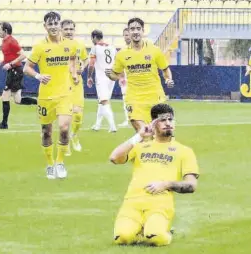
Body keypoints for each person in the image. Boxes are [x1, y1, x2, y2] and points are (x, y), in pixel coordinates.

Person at [109, 103, 199, 246]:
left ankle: (162, 230)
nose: (168, 123)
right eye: (162, 120)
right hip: (132, 203)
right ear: (153, 124)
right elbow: (114, 158)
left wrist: (166, 184)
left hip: (160, 205)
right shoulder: (140, 146)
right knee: (122, 238)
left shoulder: (184, 151)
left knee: (156, 237)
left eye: (170, 119)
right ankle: (140, 229)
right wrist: (138, 136)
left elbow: (191, 185)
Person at [23, 12, 78, 179]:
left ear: (59, 25)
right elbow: (27, 68)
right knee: (46, 132)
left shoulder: (70, 45)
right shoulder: (40, 47)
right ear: (45, 26)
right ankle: (49, 164)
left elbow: (73, 60)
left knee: (63, 128)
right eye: (50, 24)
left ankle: (60, 162)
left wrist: (74, 73)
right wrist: (39, 76)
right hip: (46, 96)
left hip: (65, 94)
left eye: (56, 23)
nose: (53, 27)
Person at [105, 18, 174, 133]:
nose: (135, 31)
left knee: (160, 133)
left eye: (138, 29)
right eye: (132, 29)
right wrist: (110, 75)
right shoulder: (122, 54)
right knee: (144, 132)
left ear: (143, 31)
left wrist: (168, 79)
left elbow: (165, 69)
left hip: (155, 96)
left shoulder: (154, 50)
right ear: (129, 32)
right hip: (134, 98)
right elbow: (115, 75)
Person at [0, 22, 37, 130]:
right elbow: (9, 56)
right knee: (18, 100)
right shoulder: (4, 41)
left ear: (5, 31)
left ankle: (4, 124)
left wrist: (11, 64)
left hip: (15, 71)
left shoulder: (12, 41)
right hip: (12, 71)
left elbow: (23, 55)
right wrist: (1, 63)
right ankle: (40, 103)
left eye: (0, 30)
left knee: (5, 96)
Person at [61, 19, 89, 154]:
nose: (68, 32)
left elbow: (86, 59)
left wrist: (83, 66)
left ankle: (74, 136)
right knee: (65, 115)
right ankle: (65, 143)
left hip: (77, 82)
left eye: (71, 29)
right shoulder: (57, 45)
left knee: (78, 115)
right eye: (66, 29)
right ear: (61, 30)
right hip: (62, 83)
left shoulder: (79, 45)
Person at [87, 29, 117, 132]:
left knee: (104, 101)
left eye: (92, 38)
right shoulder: (112, 47)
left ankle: (113, 126)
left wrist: (89, 76)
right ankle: (97, 125)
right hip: (112, 77)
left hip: (101, 77)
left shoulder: (95, 48)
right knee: (101, 101)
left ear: (94, 37)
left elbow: (91, 64)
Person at [118, 28, 131, 128]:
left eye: (128, 35)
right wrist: (121, 77)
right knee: (126, 100)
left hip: (137, 80)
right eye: (125, 35)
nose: (127, 37)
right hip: (126, 80)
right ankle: (128, 120)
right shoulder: (122, 51)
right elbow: (120, 66)